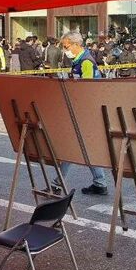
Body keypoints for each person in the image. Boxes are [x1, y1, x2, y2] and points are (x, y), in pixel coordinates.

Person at [53, 31, 107, 196]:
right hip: (86, 111)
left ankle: (56, 184)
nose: (65, 50)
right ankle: (100, 183)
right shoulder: (79, 61)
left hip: (86, 112)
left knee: (72, 147)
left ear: (76, 44)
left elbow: (86, 89)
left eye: (66, 46)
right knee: (84, 147)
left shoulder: (85, 63)